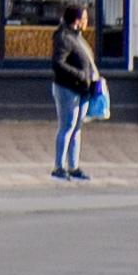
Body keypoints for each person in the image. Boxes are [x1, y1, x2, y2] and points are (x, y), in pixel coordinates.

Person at [49, 9, 104, 180]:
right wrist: (81, 75)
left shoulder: (76, 36)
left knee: (77, 128)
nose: (88, 21)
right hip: (68, 88)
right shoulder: (64, 38)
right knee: (67, 126)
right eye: (85, 18)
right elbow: (58, 63)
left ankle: (73, 166)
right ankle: (59, 167)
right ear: (76, 20)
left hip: (82, 88)